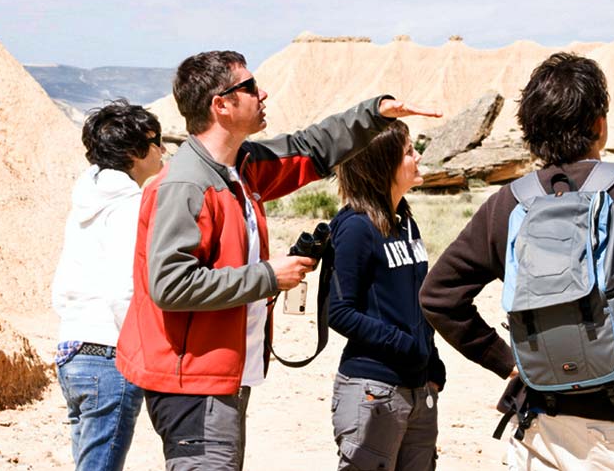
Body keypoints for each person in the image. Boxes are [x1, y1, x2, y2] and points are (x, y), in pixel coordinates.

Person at [114, 50, 441, 471]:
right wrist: (269, 275)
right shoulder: (184, 184)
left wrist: (374, 113)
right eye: (250, 87)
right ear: (222, 104)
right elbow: (171, 285)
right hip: (193, 382)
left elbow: (310, 147)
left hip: (221, 377)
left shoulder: (242, 169)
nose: (262, 93)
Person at [420, 52, 614, 470]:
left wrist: (508, 363)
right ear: (599, 123)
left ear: (531, 132)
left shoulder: (508, 203)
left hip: (540, 424)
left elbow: (438, 295)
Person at [52, 100, 165, 471]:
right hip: (107, 356)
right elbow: (125, 288)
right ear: (134, 151)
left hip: (71, 350)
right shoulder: (129, 205)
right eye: (157, 141)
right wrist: (140, 348)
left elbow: (63, 284)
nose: (164, 150)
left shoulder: (85, 199)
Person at [328, 120, 446, 471]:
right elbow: (340, 311)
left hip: (418, 389)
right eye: (409, 151)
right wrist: (403, 344)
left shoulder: (405, 222)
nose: (418, 156)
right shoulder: (354, 227)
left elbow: (413, 301)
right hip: (373, 389)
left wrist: (432, 362)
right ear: (384, 164)